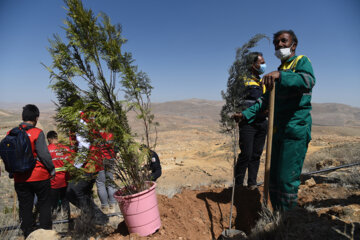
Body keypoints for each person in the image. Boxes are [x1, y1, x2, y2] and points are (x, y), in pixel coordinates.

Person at [233, 30, 315, 210]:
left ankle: (286, 222)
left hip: (294, 129)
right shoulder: (279, 70)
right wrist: (245, 114)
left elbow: (307, 81)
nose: (279, 45)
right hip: (278, 130)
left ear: (293, 45)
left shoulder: (301, 62)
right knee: (274, 178)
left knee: (286, 180)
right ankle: (277, 214)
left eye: (283, 41)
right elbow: (265, 100)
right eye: (276, 43)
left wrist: (282, 77)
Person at [11, 104, 55, 237]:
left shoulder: (11, 133)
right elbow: (44, 155)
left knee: (25, 206)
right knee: (44, 204)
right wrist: (52, 169)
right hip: (39, 176)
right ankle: (45, 233)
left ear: (22, 117)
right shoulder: (37, 133)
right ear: (36, 118)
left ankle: (28, 234)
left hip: (20, 178)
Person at [234, 52, 268, 189]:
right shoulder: (242, 80)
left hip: (262, 122)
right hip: (248, 123)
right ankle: (238, 185)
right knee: (246, 154)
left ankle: (252, 183)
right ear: (252, 64)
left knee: (256, 154)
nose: (264, 65)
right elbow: (236, 100)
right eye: (261, 62)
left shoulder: (262, 81)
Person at [47, 130, 71, 219]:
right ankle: (66, 219)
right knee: (65, 200)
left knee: (53, 202)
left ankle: (53, 220)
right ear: (56, 138)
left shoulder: (47, 150)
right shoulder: (66, 148)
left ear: (49, 139)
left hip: (53, 181)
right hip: (65, 179)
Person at [95, 130, 117, 214]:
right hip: (110, 158)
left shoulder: (94, 129)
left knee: (100, 183)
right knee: (110, 181)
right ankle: (113, 205)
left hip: (99, 159)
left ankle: (105, 207)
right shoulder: (109, 129)